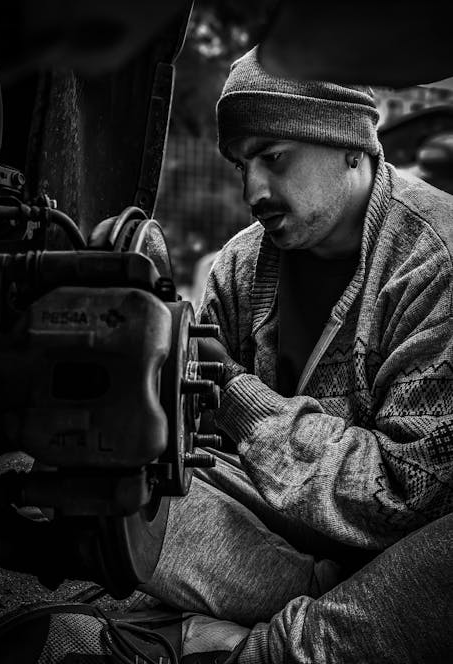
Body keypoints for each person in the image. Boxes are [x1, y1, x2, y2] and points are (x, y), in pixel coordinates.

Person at [137, 45, 453, 663]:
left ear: (349, 146)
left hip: (395, 571)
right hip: (276, 542)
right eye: (241, 165)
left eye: (273, 158)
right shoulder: (238, 266)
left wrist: (236, 394)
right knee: (116, 492)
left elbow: (407, 496)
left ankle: (258, 644)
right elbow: (200, 457)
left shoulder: (435, 261)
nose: (253, 189)